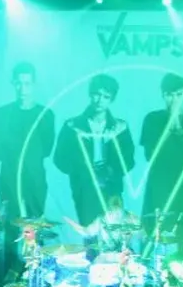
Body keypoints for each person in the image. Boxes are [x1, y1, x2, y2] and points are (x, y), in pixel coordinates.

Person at [53, 74, 136, 227]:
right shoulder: (72, 126)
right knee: (90, 233)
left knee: (113, 233)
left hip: (112, 186)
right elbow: (59, 159)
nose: (100, 100)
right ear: (90, 94)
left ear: (111, 99)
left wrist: (112, 170)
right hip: (84, 188)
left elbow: (129, 161)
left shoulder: (120, 127)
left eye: (106, 96)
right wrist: (80, 170)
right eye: (96, 94)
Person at [139, 73, 183, 241]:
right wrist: (170, 125)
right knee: (154, 233)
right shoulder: (152, 119)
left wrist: (179, 129)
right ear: (163, 95)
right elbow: (150, 155)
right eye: (170, 95)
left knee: (182, 232)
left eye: (179, 95)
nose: (174, 100)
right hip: (158, 184)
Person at [0, 62, 56, 221]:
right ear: (13, 83)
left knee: (36, 228)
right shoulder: (2, 114)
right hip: (9, 178)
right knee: (10, 227)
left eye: (27, 83)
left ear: (34, 84)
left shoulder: (45, 114)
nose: (22, 89)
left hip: (35, 178)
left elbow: (47, 149)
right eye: (18, 83)